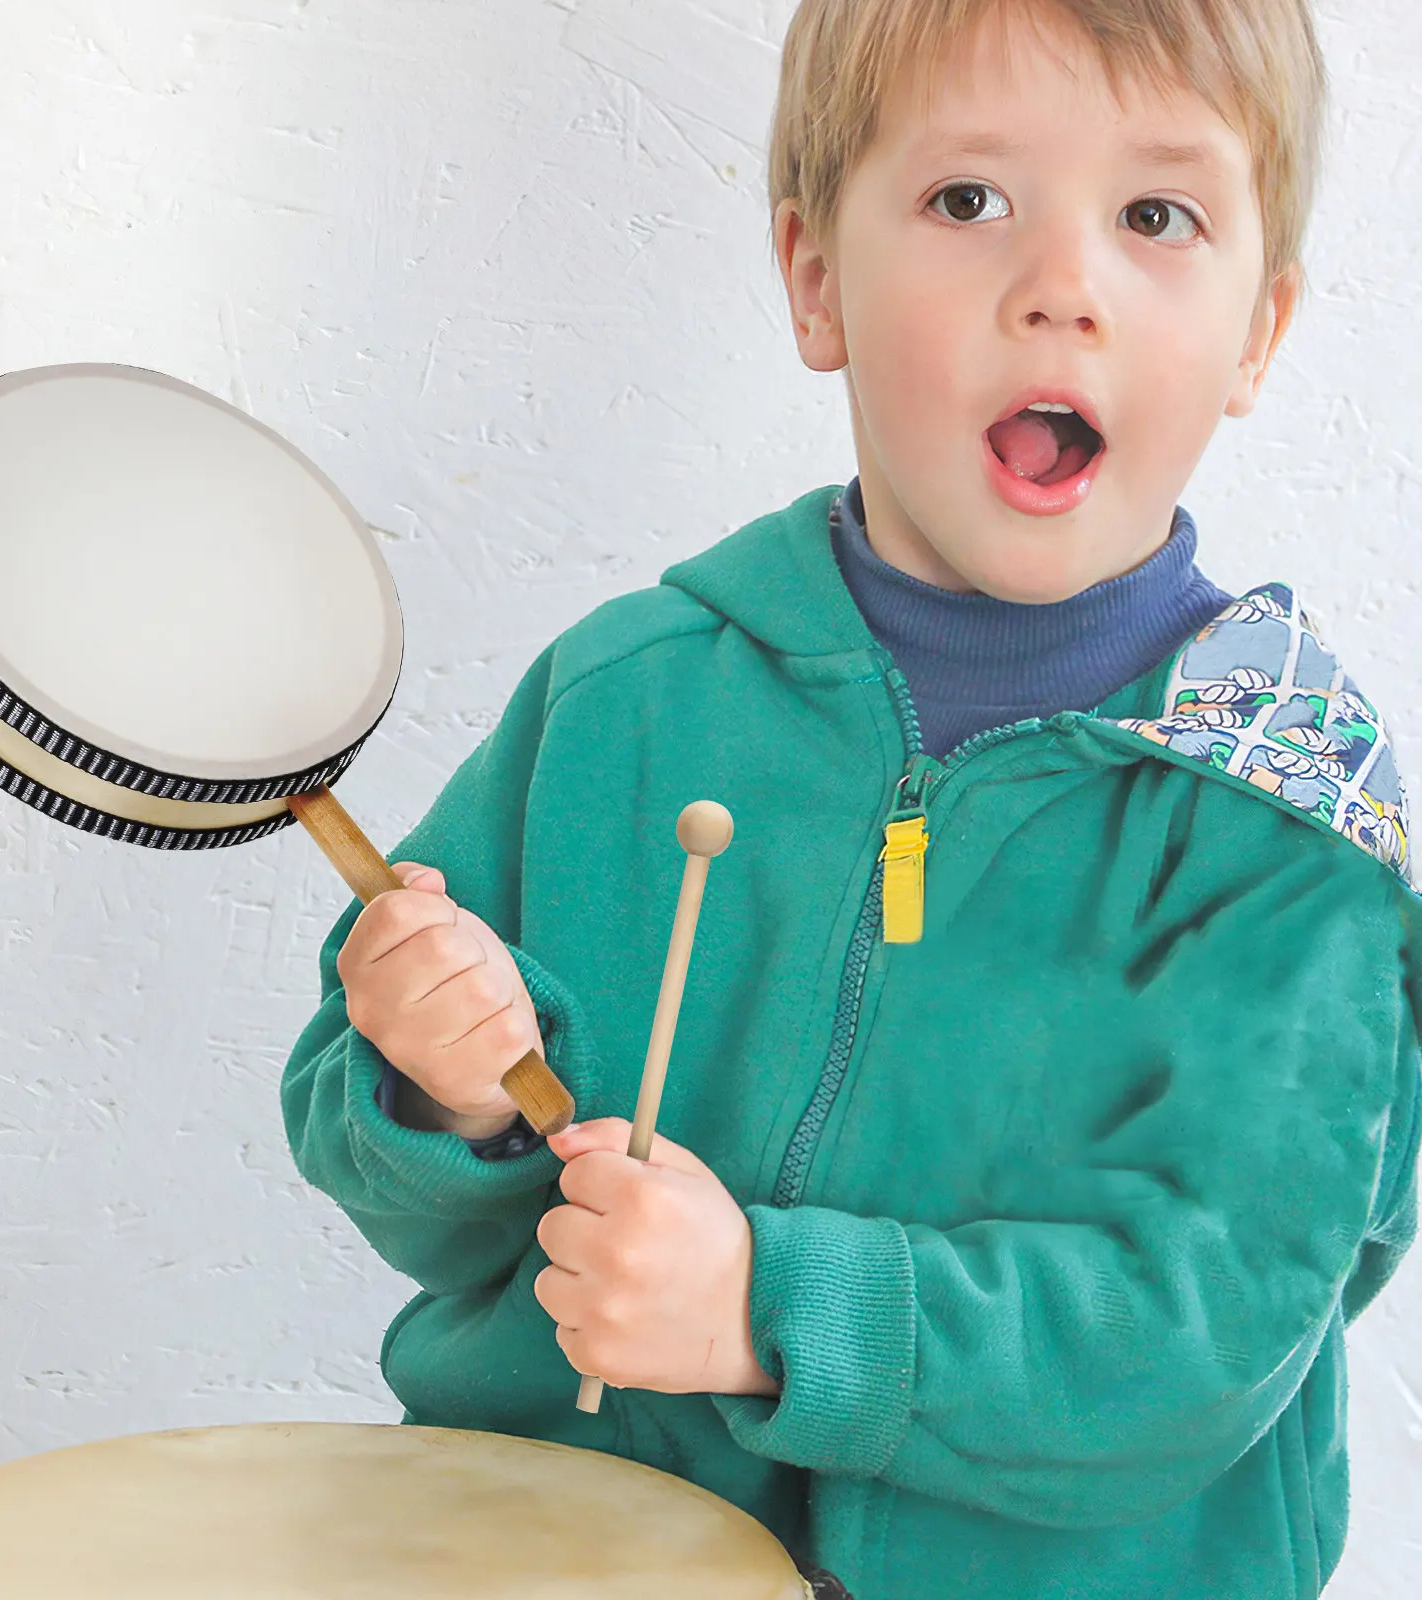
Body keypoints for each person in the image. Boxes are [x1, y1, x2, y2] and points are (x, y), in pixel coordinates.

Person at [281, 1, 1421, 1594]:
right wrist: (445, 1093)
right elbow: (414, 1189)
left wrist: (769, 1311)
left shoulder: (1286, 814)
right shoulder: (625, 697)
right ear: (818, 280)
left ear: (1259, 334)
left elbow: (1203, 1335)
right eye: (971, 200)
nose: (1063, 288)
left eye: (1158, 217)